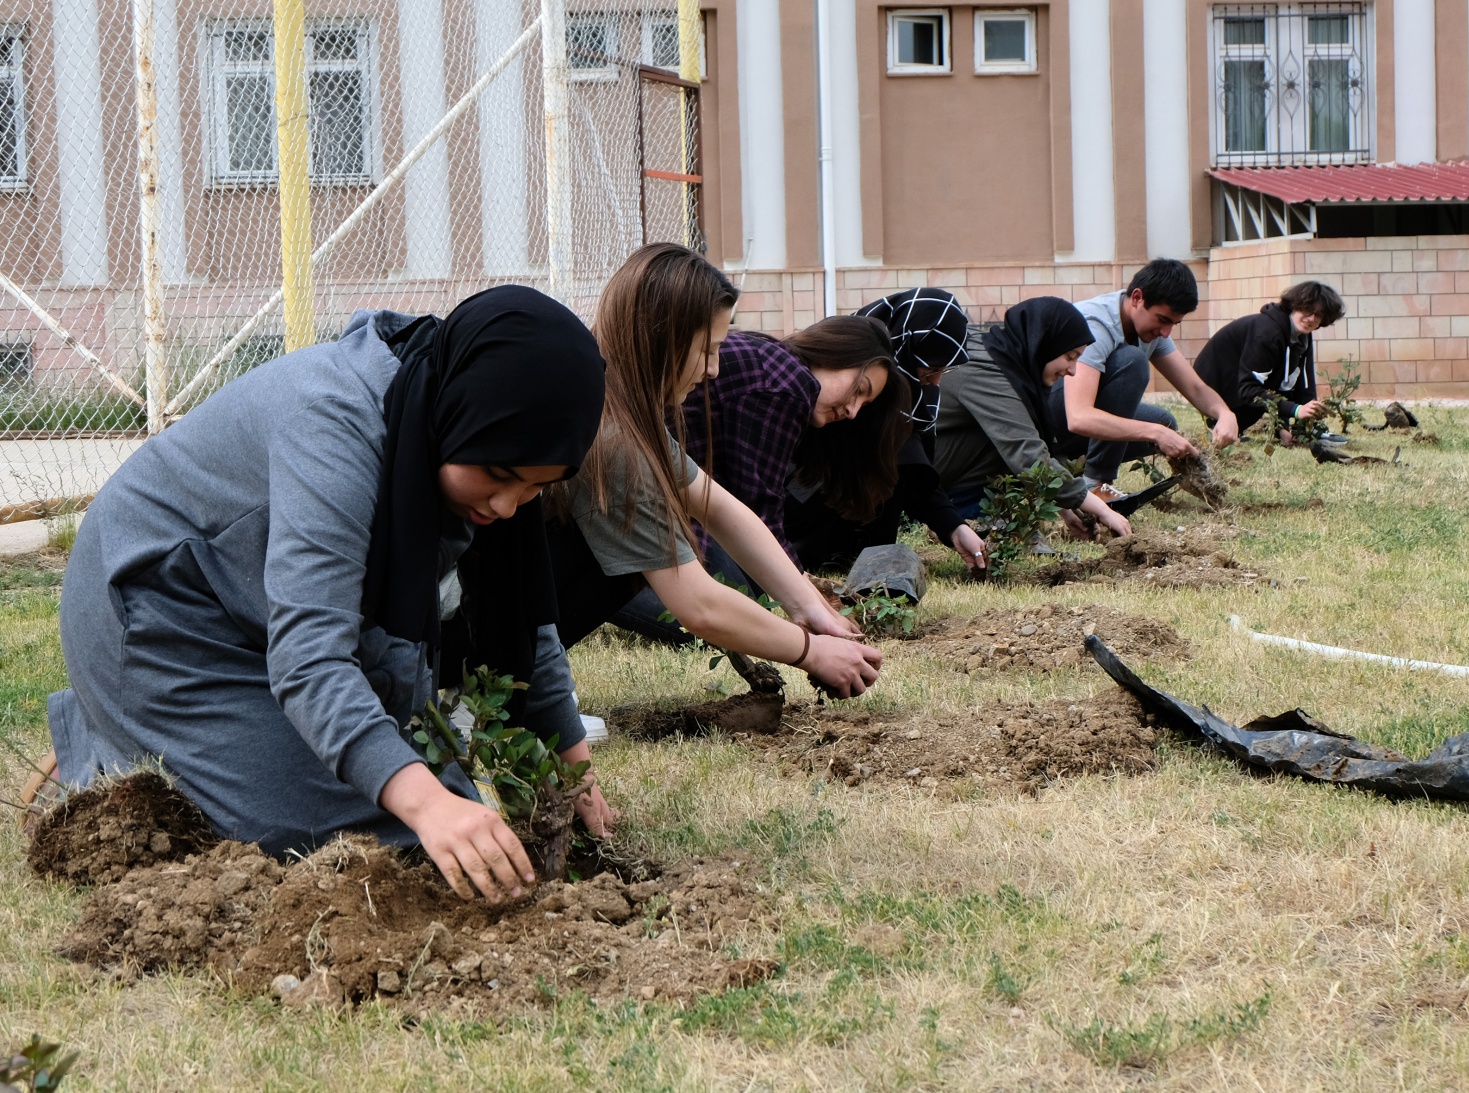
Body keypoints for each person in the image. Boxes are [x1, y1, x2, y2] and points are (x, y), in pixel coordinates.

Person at [38, 286, 607, 906]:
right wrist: (425, 807)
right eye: (498, 476)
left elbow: (522, 618)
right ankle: (115, 733)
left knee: (447, 804)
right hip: (160, 622)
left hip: (254, 610)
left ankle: (159, 737)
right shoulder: (335, 427)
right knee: (386, 835)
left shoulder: (466, 421)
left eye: (533, 488)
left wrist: (570, 771)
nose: (506, 505)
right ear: (463, 412)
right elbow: (310, 658)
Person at [542, 243, 882, 695]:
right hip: (459, 629)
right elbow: (699, 605)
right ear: (661, 337)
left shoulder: (617, 403)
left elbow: (722, 509)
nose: (714, 370)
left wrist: (809, 610)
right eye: (707, 351)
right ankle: (495, 689)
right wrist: (812, 651)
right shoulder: (613, 439)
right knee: (641, 550)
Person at [676, 315, 911, 586]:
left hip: (653, 498)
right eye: (859, 390)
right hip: (645, 508)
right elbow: (757, 516)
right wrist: (806, 592)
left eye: (864, 405)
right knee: (744, 595)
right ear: (832, 353)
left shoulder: (772, 361)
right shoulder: (786, 386)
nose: (853, 411)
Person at [782, 289, 992, 574]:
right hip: (791, 530)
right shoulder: (837, 367)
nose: (934, 381)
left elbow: (911, 464)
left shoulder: (899, 395)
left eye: (943, 370)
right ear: (906, 346)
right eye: (930, 369)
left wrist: (953, 526)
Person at [933, 296, 1132, 539]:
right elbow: (1028, 454)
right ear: (1042, 343)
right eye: (1070, 357)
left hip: (944, 468)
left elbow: (1036, 443)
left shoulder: (1007, 357)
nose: (1073, 370)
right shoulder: (989, 371)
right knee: (1009, 440)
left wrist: (1067, 508)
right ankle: (963, 513)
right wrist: (1101, 509)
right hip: (921, 480)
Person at [1051, 259, 1241, 498]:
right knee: (1133, 360)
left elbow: (1194, 386)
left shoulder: (1150, 329)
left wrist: (1225, 414)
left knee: (1164, 422)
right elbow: (1078, 417)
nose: (1165, 332)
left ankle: (1070, 466)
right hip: (1045, 419)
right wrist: (1154, 433)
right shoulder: (1097, 326)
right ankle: (1096, 482)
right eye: (1163, 320)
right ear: (1138, 298)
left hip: (1071, 422)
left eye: (1174, 324)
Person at [1192, 280, 1346, 442]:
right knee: (1257, 399)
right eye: (1307, 310)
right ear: (1294, 305)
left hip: (1239, 383)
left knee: (1267, 393)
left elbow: (1300, 383)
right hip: (1214, 386)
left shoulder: (1301, 336)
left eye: (1319, 315)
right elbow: (1249, 389)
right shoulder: (1267, 333)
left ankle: (1309, 432)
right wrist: (1295, 410)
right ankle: (1218, 424)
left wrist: (1287, 426)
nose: (1311, 318)